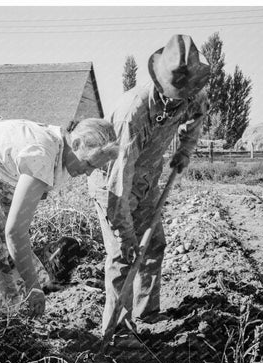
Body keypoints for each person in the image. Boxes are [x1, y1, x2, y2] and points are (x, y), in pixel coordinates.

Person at [0, 117, 118, 327]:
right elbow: (15, 232)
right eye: (88, 163)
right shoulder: (42, 154)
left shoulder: (56, 149)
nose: (88, 172)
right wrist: (33, 287)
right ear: (76, 143)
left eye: (94, 168)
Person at [88, 34, 210, 336]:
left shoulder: (193, 93)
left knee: (154, 244)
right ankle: (118, 332)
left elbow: (197, 116)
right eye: (173, 92)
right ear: (159, 80)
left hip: (147, 178)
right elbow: (119, 182)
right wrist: (127, 235)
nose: (180, 98)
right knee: (123, 255)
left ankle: (147, 314)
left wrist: (184, 151)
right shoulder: (134, 114)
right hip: (113, 185)